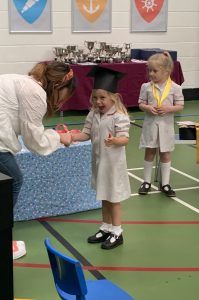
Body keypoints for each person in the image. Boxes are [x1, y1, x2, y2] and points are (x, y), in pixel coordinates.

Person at [0, 61, 76, 259]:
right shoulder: (35, 93)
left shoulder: (23, 81)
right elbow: (34, 141)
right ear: (59, 85)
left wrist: (52, 134)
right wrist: (61, 138)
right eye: (64, 97)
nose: (61, 103)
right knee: (13, 182)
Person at [71, 65, 131, 250]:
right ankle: (106, 227)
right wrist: (72, 136)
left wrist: (115, 140)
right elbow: (86, 134)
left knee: (113, 199)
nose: (98, 101)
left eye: (103, 98)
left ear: (113, 97)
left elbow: (125, 138)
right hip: (99, 164)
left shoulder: (118, 116)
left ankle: (117, 231)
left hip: (113, 165)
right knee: (103, 197)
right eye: (95, 97)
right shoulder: (93, 114)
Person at [138, 52, 184, 197]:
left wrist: (169, 108)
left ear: (166, 71)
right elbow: (140, 103)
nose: (151, 74)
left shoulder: (175, 88)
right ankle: (146, 182)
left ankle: (165, 183)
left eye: (155, 71)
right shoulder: (146, 86)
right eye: (149, 70)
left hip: (166, 127)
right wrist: (147, 108)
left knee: (165, 153)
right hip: (150, 125)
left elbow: (180, 105)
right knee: (149, 151)